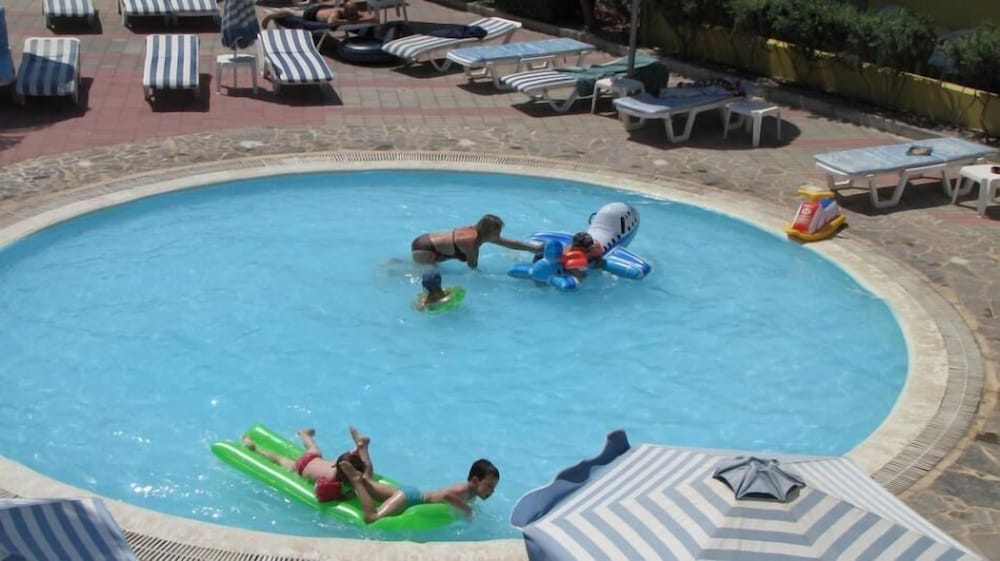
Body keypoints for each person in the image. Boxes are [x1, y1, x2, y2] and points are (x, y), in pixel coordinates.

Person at [338, 458, 499, 523]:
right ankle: (356, 480)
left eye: (493, 488)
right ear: (475, 481)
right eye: (489, 486)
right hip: (410, 499)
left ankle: (361, 454)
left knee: (369, 486)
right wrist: (467, 509)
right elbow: (446, 495)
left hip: (411, 493)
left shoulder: (470, 492)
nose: (491, 492)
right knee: (372, 518)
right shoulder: (463, 489)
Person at [242, 426, 371, 502]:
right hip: (301, 467)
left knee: (313, 448)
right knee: (279, 460)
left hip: (313, 457)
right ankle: (255, 449)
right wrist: (344, 497)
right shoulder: (331, 480)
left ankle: (304, 434)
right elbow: (320, 494)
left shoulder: (338, 465)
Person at [411, 214, 540, 269]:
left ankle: (398, 262)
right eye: (497, 232)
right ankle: (398, 271)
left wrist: (533, 249)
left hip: (424, 239)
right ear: (489, 231)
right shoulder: (471, 242)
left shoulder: (478, 232)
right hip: (425, 249)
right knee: (425, 272)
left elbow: (509, 243)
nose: (499, 235)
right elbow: (472, 267)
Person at [260, 0, 376, 29]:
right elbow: (331, 22)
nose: (353, 16)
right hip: (312, 14)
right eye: (351, 14)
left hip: (322, 9)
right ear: (345, 12)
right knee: (292, 12)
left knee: (295, 10)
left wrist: (359, 19)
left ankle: (276, 11)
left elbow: (374, 18)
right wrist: (351, 21)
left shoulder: (355, 12)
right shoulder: (337, 12)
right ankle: (270, 16)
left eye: (353, 14)